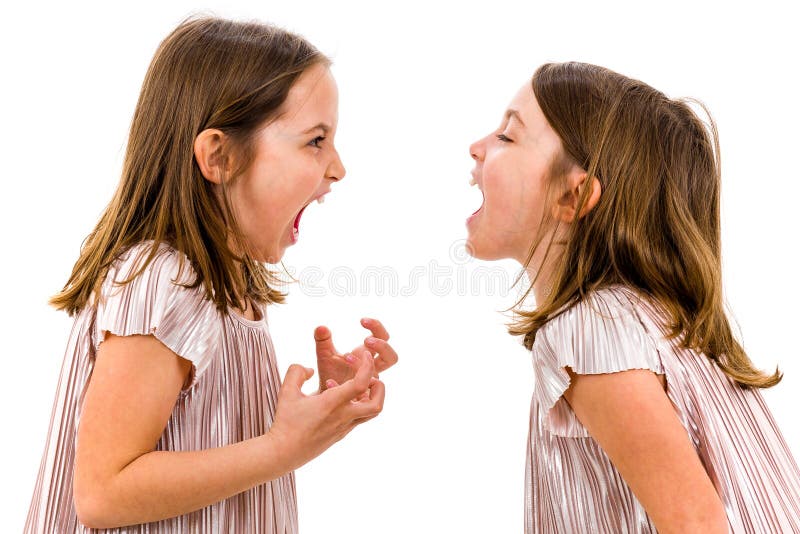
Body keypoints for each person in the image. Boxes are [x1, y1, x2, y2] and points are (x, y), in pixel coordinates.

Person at [25, 16, 397, 533]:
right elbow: (103, 492)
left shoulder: (230, 287)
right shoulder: (162, 279)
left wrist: (315, 419)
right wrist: (280, 448)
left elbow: (208, 449)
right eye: (316, 141)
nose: (337, 167)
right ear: (219, 157)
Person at [466, 61, 800, 533]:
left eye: (507, 137)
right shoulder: (651, 322)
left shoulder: (586, 331)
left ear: (573, 197)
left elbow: (695, 524)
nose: (476, 148)